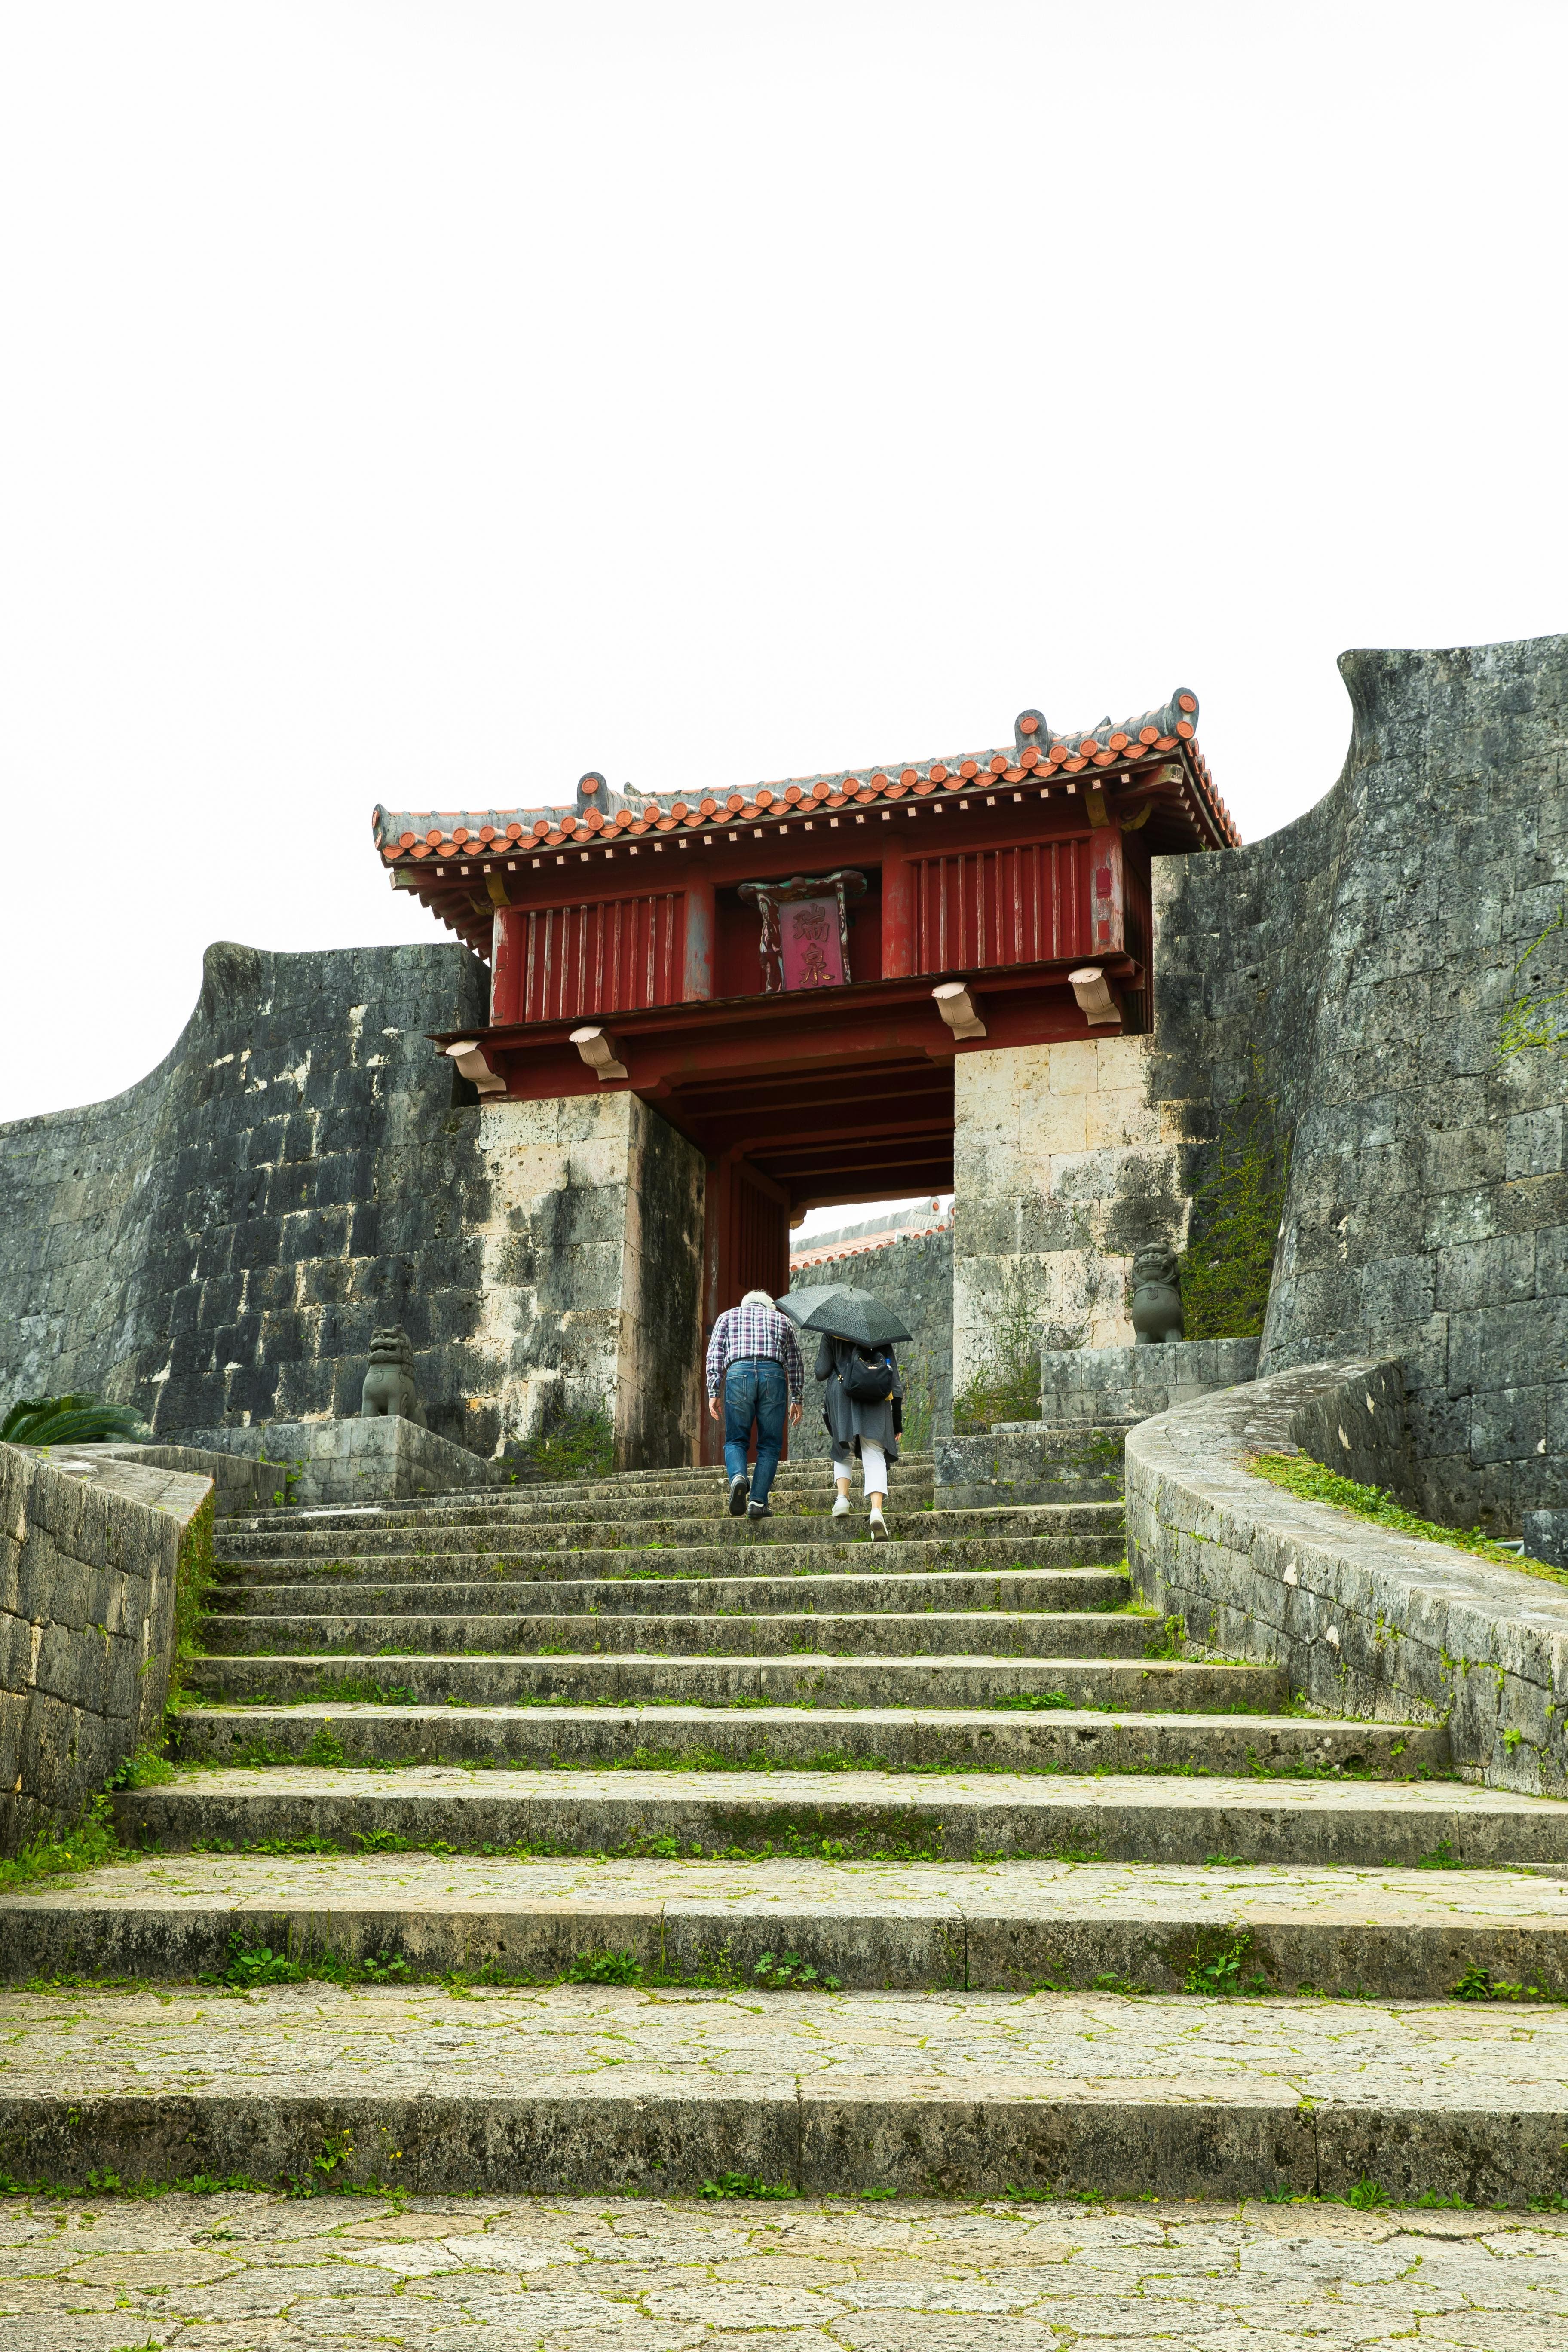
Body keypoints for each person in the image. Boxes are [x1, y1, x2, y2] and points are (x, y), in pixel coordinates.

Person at [705, 1288, 804, 1519]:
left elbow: (715, 1355)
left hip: (739, 1373)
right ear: (768, 1306)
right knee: (769, 1444)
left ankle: (739, 1477)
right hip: (774, 1374)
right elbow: (795, 1361)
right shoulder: (783, 1320)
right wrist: (796, 1397)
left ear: (745, 1304)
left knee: (735, 1439)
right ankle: (758, 1501)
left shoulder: (727, 1317)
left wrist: (714, 1391)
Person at [815, 1331, 903, 1540]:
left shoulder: (832, 1332)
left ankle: (842, 1499)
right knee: (874, 1452)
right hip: (876, 1394)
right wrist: (897, 1418)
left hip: (842, 1392)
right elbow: (894, 1378)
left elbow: (821, 1371)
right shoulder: (880, 1331)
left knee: (844, 1446)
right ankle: (876, 1511)